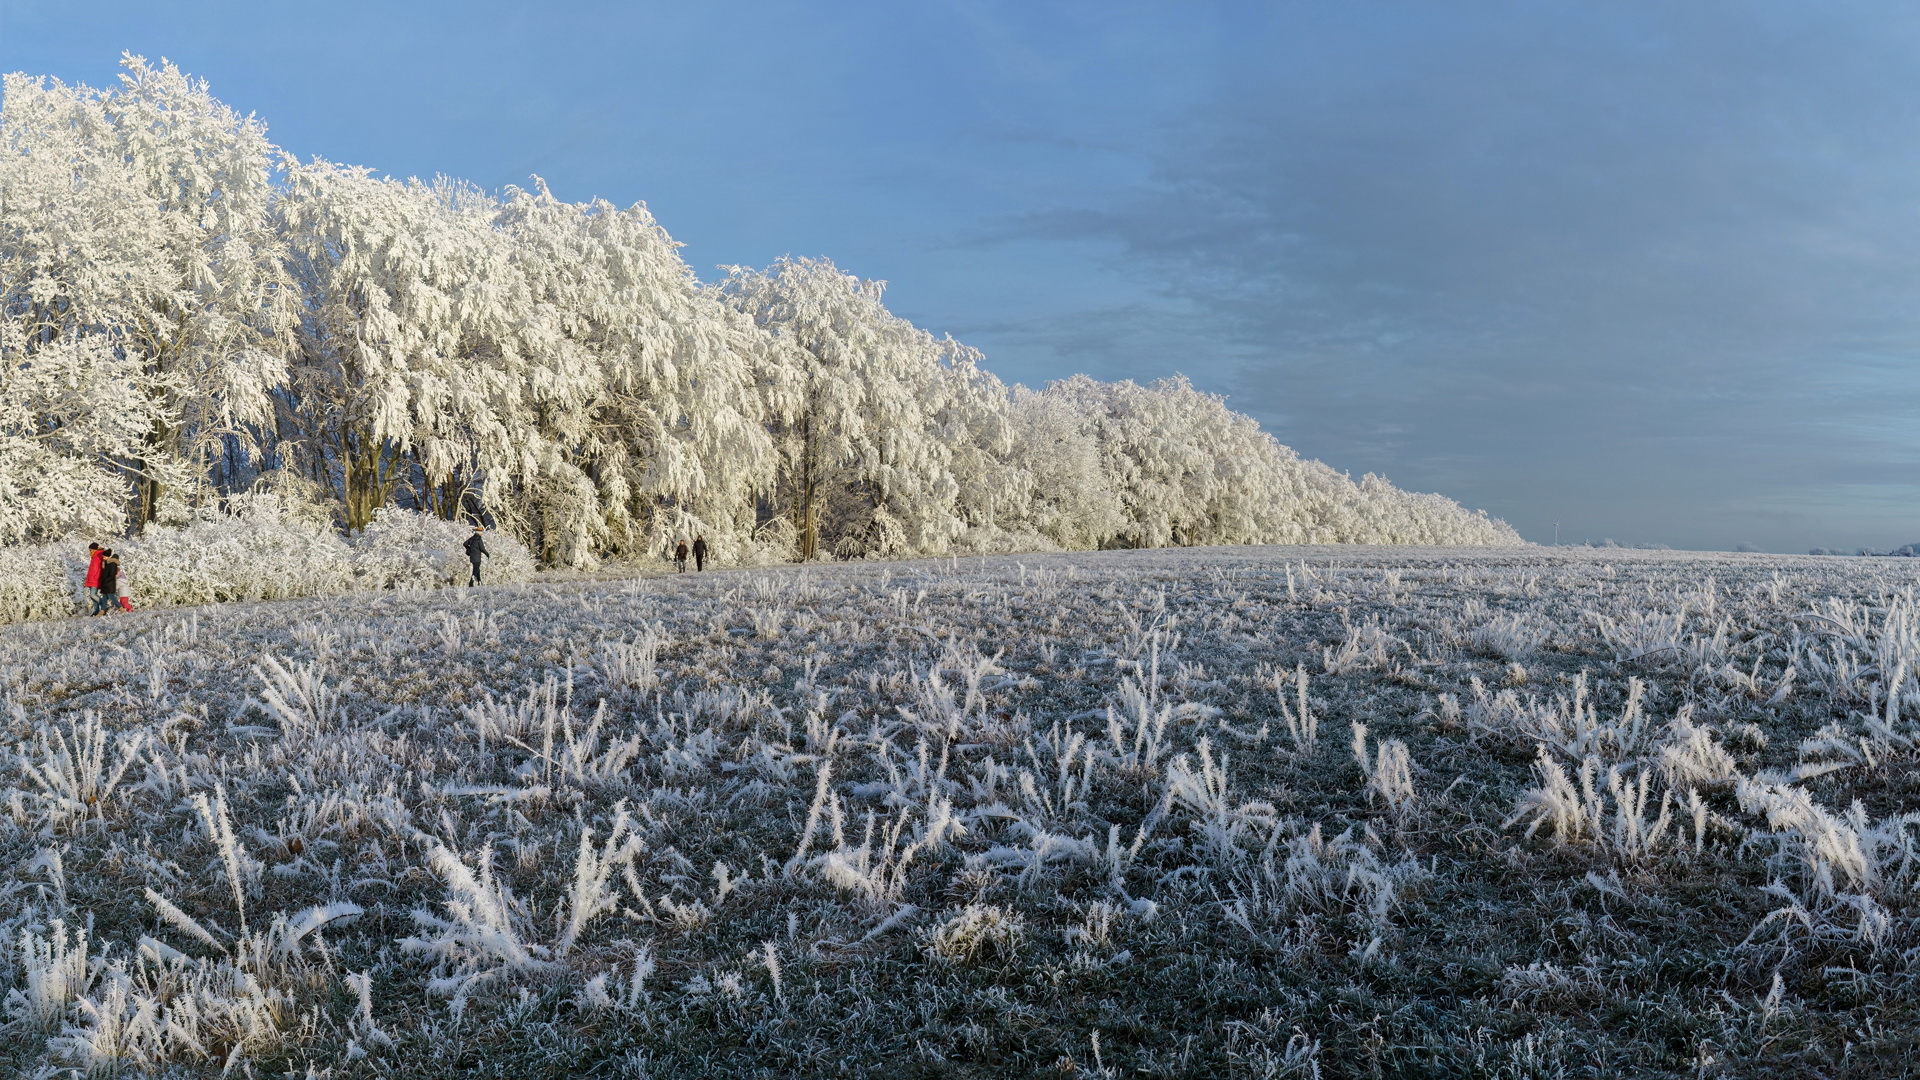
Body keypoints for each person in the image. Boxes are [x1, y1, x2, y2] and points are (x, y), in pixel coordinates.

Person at [94, 549, 120, 616]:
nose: (103, 557)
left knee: (112, 598)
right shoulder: (107, 563)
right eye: (103, 556)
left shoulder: (112, 564)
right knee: (104, 599)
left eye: (104, 556)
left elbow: (112, 574)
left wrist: (105, 581)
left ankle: (121, 608)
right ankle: (102, 611)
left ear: (108, 556)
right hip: (106, 584)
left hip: (109, 584)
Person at [84, 542, 103, 613]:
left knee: (93, 595)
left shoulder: (99, 555)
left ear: (94, 549)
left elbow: (100, 568)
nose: (89, 551)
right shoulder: (94, 556)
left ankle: (104, 605)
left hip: (96, 579)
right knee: (93, 597)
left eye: (90, 550)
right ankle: (96, 611)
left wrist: (97, 577)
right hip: (92, 579)